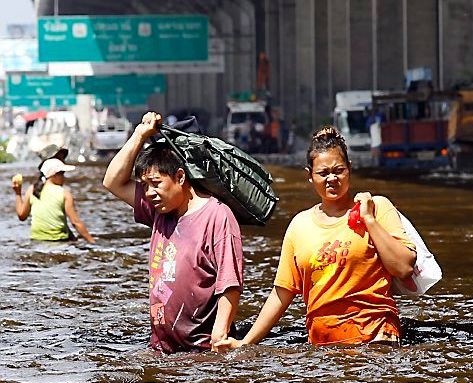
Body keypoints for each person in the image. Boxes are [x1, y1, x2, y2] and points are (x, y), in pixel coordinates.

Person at [213, 127, 416, 351]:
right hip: (322, 347)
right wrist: (245, 343)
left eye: (339, 170)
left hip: (377, 340)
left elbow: (404, 267)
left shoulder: (377, 208)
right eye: (323, 173)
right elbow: (282, 292)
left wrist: (368, 219)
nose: (332, 178)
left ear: (349, 170)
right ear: (309, 176)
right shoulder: (300, 225)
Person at [102, 111, 245, 354]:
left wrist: (219, 337)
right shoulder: (159, 210)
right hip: (162, 348)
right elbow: (112, 182)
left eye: (156, 183)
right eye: (144, 185)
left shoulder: (217, 216)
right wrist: (139, 135)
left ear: (180, 177)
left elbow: (229, 283)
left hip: (200, 351)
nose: (148, 193)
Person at [12, 158, 95, 244]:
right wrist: (92, 242)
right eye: (62, 174)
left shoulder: (32, 190)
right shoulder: (64, 193)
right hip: (58, 241)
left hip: (36, 240)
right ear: (54, 175)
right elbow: (75, 222)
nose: (64, 177)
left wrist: (18, 193)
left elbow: (21, 216)